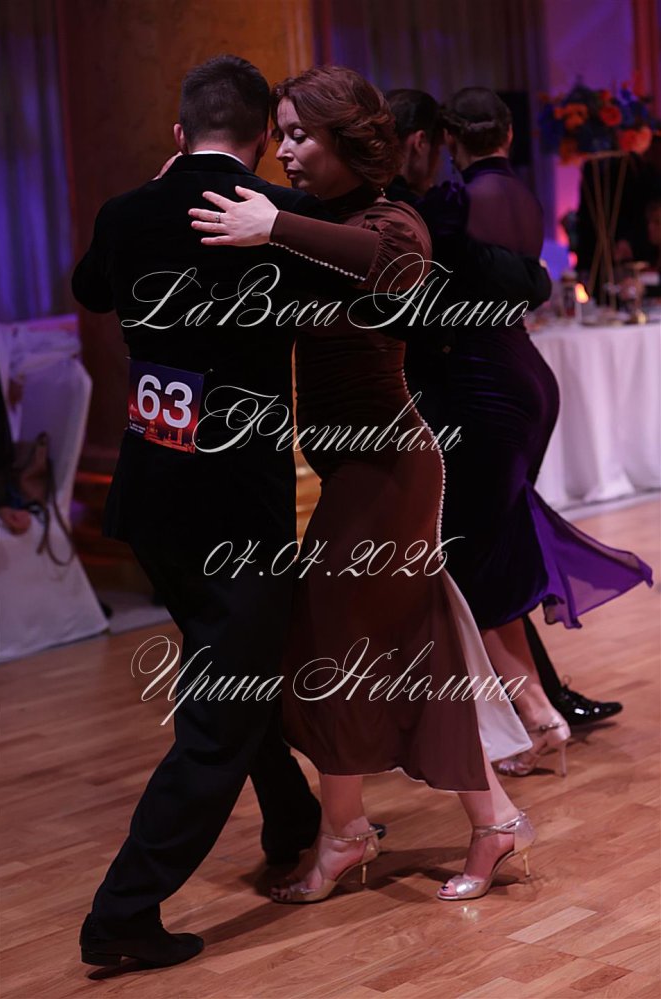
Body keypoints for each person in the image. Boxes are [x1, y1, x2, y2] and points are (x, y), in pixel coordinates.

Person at [71, 54, 389, 970]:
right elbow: (377, 289)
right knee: (222, 712)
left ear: (179, 134)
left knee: (231, 671)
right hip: (236, 507)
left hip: (149, 495)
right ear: (258, 139)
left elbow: (91, 291)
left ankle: (290, 819)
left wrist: (152, 199)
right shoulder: (274, 220)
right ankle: (122, 913)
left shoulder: (127, 211)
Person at [190, 65, 535, 905]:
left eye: (300, 135)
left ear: (347, 140)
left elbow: (391, 264)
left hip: (390, 470)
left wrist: (274, 222)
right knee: (413, 650)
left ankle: (345, 832)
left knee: (322, 646)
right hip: (357, 467)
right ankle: (488, 819)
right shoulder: (316, 219)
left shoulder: (390, 221)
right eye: (281, 134)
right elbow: (282, 217)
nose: (286, 150)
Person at [397, 87, 653, 775]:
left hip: (486, 387)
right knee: (493, 542)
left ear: (446, 140)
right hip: (524, 374)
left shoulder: (447, 207)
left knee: (473, 555)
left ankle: (535, 714)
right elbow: (527, 279)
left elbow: (504, 279)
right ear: (508, 134)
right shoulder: (517, 195)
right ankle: (536, 706)